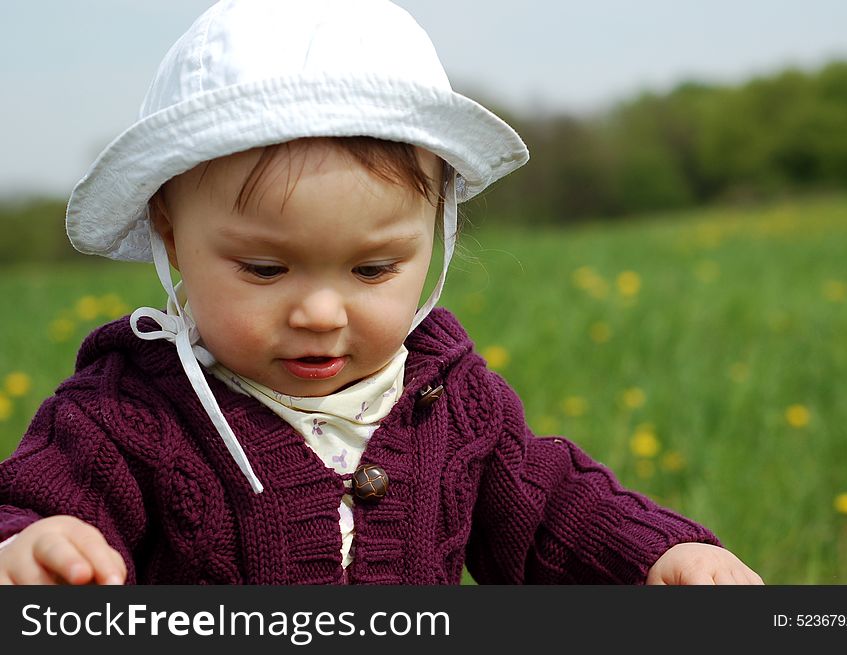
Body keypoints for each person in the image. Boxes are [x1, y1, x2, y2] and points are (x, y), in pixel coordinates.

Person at [0, 0, 761, 585]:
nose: (320, 313)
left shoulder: (450, 401)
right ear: (169, 232)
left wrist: (661, 554)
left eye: (372, 270)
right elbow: (38, 502)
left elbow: (550, 511)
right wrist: (28, 547)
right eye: (265, 270)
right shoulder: (126, 416)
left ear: (434, 234)